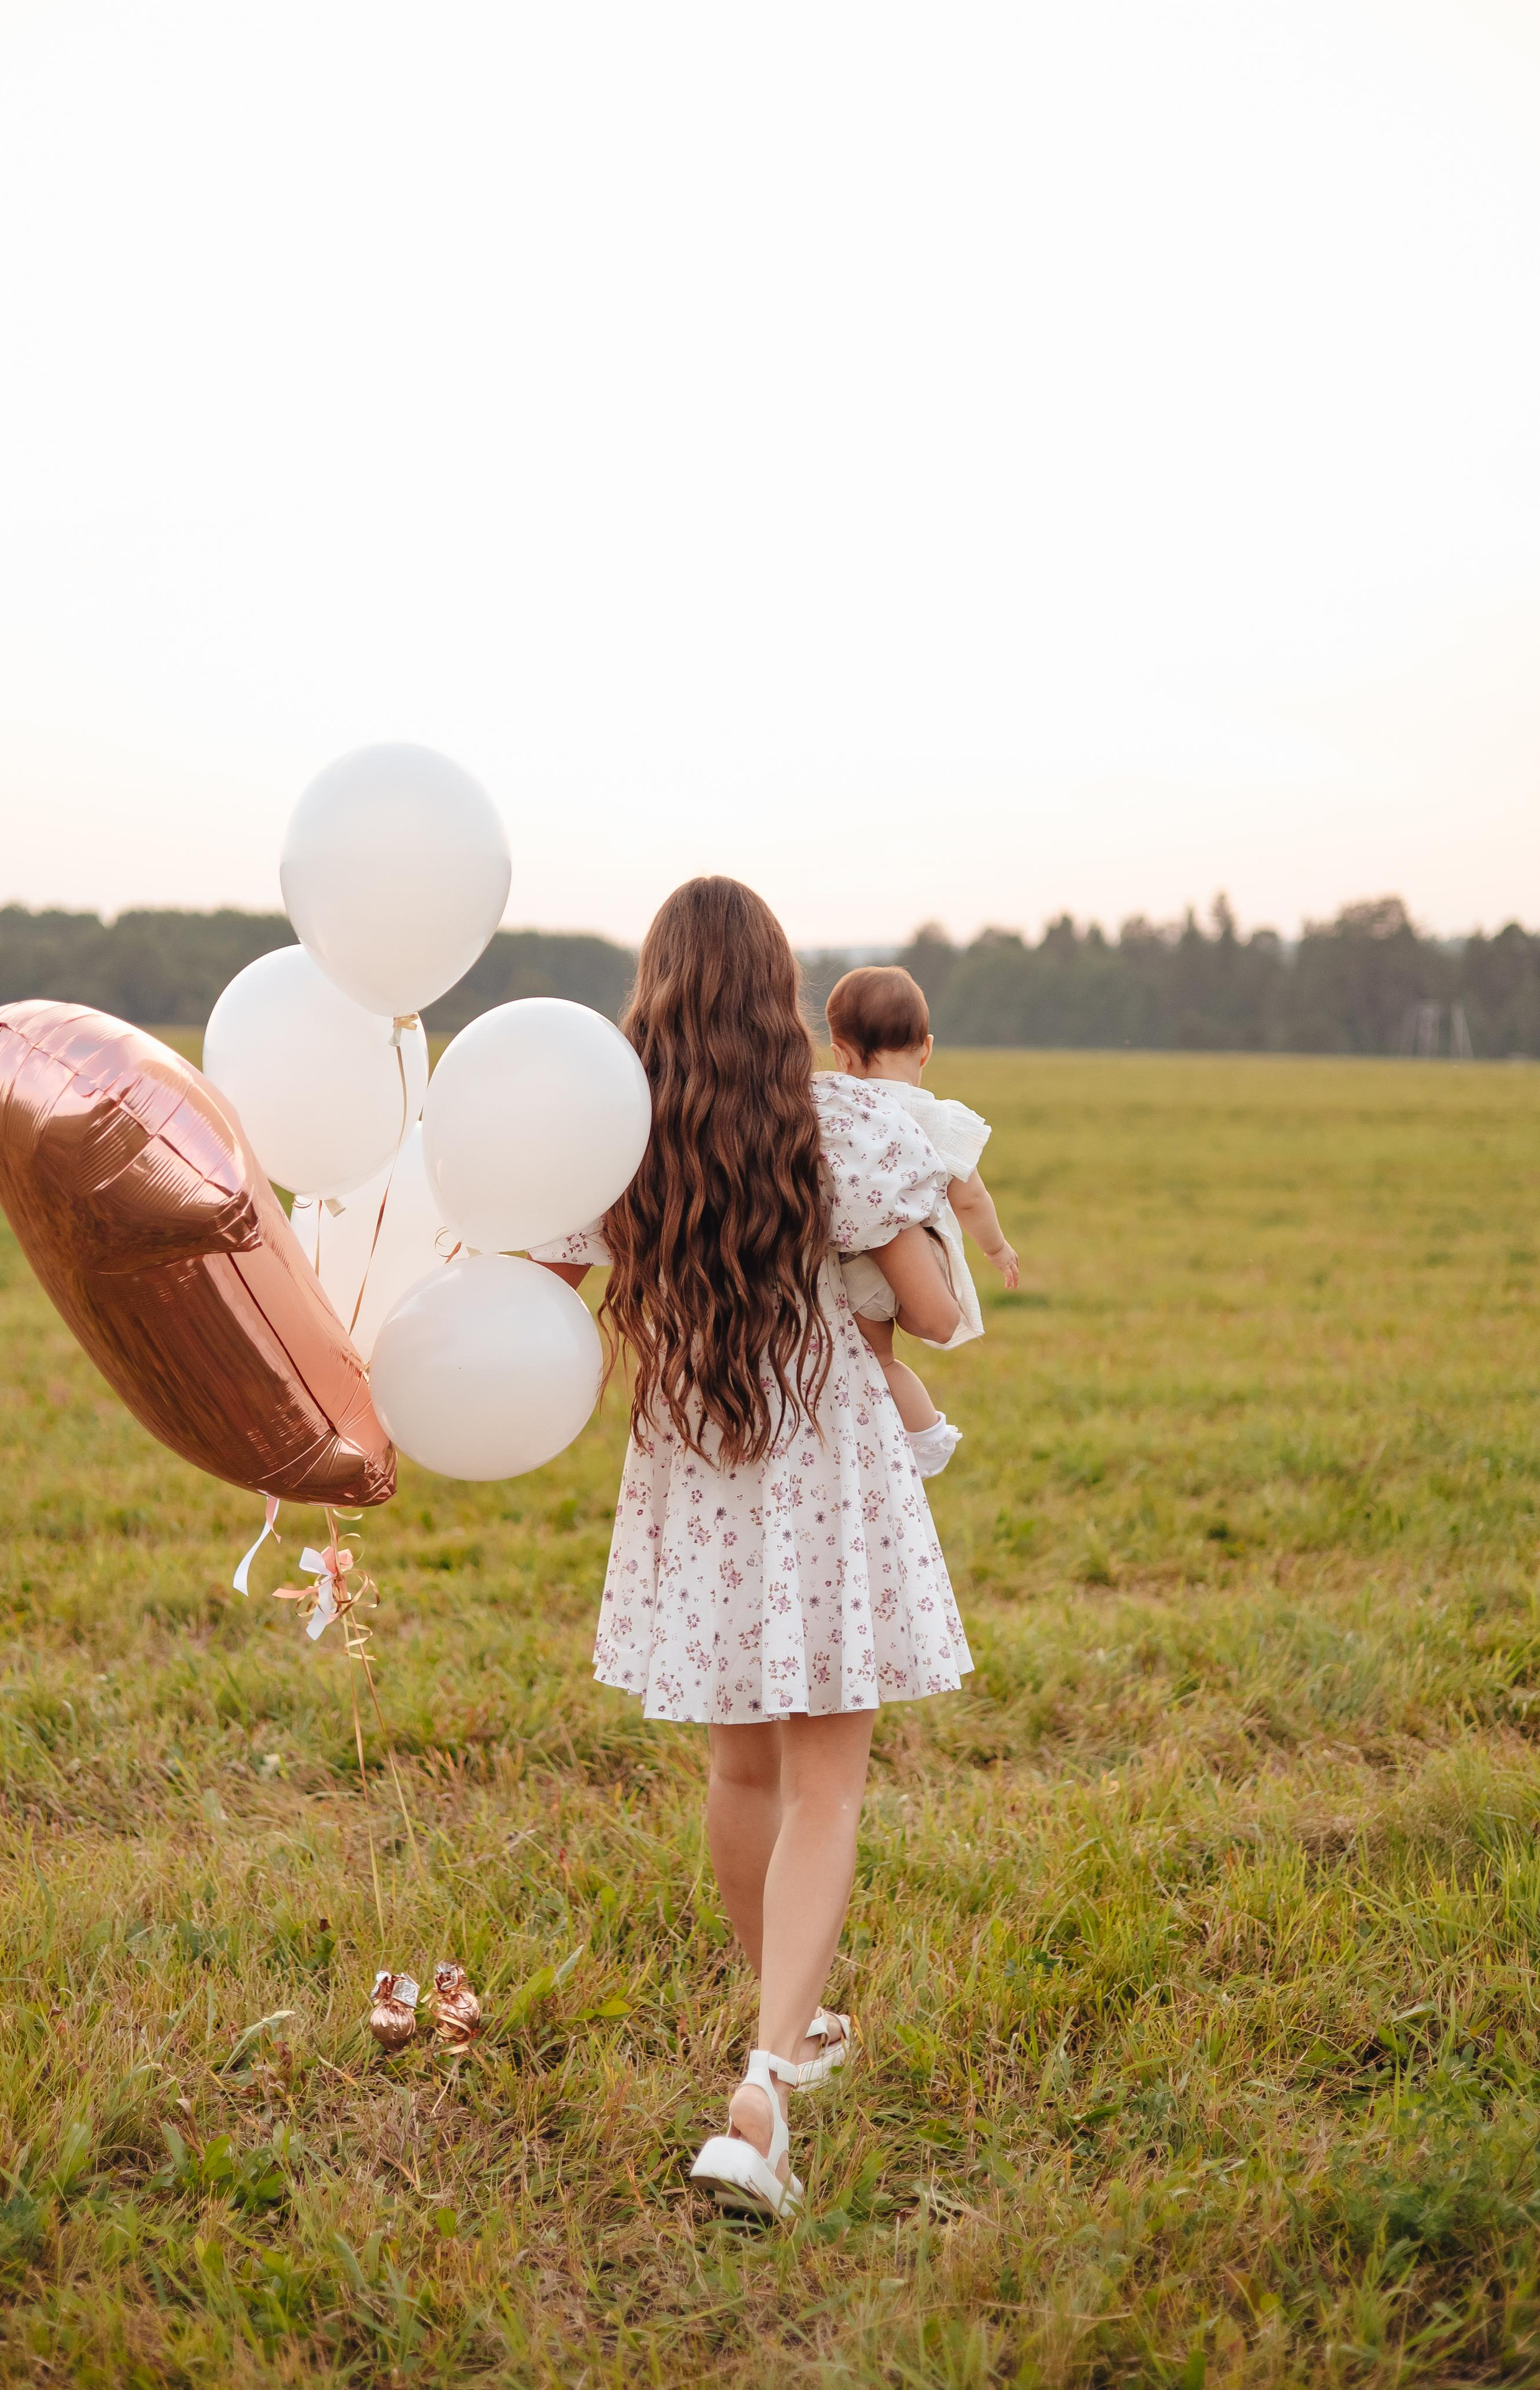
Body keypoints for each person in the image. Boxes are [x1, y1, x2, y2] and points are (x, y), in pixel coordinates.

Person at [533, 878, 971, 2221]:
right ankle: (767, 2085)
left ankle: (787, 2021)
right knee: (827, 1788)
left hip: (695, 1471)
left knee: (739, 1767)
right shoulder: (837, 1124)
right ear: (778, 992)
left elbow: (533, 1303)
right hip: (826, 1466)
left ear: (652, 989)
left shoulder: (609, 1135)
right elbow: (938, 1317)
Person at [823, 963, 1019, 1478]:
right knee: (887, 1358)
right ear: (926, 1049)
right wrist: (997, 1249)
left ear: (840, 1055)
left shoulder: (839, 1116)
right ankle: (927, 1438)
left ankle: (916, 1436)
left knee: (873, 1362)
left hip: (861, 1262)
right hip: (923, 1262)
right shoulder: (941, 1119)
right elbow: (972, 1199)